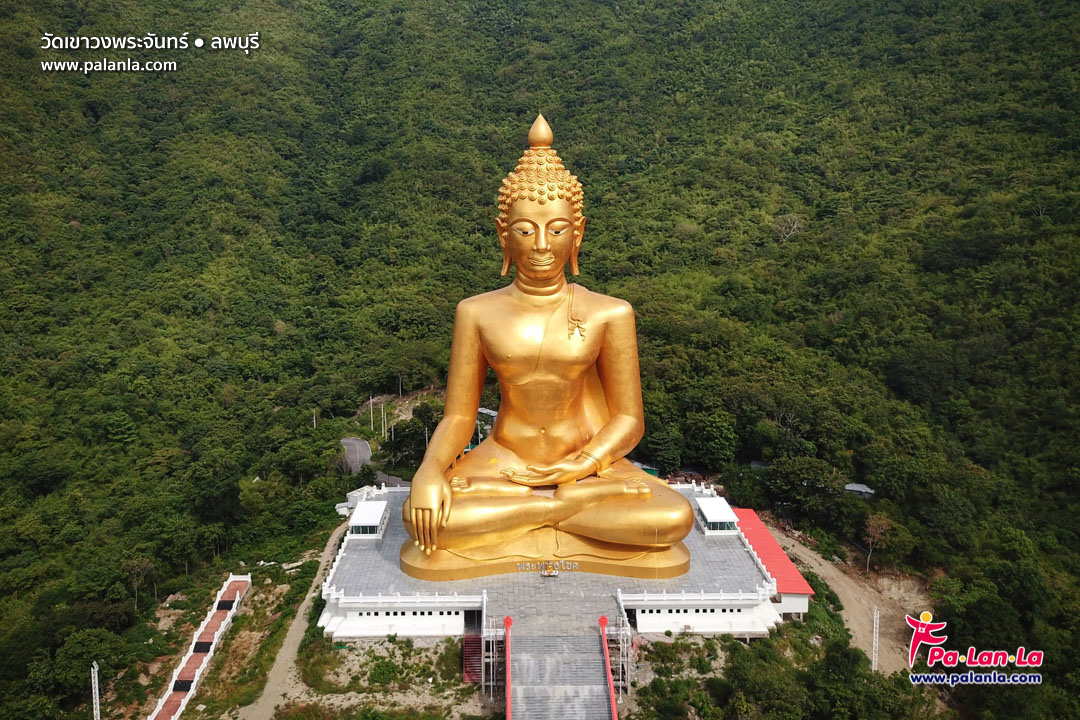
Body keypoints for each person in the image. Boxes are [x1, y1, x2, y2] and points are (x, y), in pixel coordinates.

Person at [401, 115, 692, 578]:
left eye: (556, 230)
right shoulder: (475, 312)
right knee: (424, 519)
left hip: (588, 465)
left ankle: (529, 512)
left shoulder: (610, 313)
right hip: (504, 460)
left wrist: (578, 467)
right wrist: (428, 472)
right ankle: (554, 511)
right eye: (524, 230)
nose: (541, 245)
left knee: (673, 518)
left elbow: (629, 419)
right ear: (502, 234)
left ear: (578, 232)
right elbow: (458, 417)